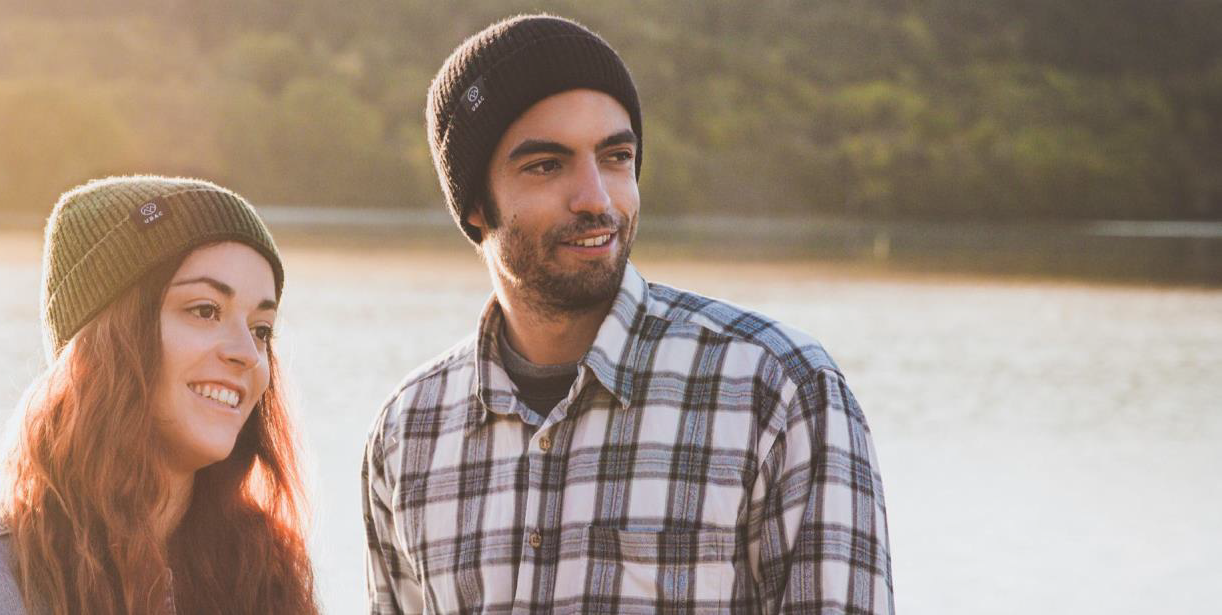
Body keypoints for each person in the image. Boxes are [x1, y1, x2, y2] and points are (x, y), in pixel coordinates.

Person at [362, 15, 893, 614]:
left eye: (616, 157)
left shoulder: (779, 390)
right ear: (476, 205)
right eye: (546, 165)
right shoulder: (409, 432)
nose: (596, 199)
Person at [0, 176, 318, 615]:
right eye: (204, 310)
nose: (247, 354)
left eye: (261, 330)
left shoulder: (262, 577)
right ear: (105, 342)